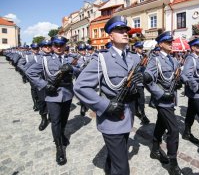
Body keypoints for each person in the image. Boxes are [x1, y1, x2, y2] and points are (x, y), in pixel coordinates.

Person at [74, 16, 143, 175]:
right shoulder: (102, 58)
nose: (125, 33)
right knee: (122, 169)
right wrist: (105, 106)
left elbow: (133, 84)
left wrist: (142, 79)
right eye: (120, 30)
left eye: (126, 30)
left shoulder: (133, 57)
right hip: (111, 118)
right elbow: (80, 86)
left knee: (117, 155)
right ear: (110, 36)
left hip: (127, 115)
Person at [26, 36, 79, 165]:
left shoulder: (71, 58)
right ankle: (59, 147)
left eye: (61, 45)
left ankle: (61, 135)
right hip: (52, 95)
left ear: (65, 45)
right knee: (55, 121)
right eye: (56, 45)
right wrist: (44, 85)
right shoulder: (45, 59)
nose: (59, 47)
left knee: (64, 119)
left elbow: (81, 70)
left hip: (67, 94)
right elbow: (30, 72)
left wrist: (72, 68)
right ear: (53, 45)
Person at [143, 31, 182, 175]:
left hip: (171, 98)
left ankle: (154, 149)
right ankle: (173, 163)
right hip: (162, 101)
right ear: (160, 44)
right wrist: (160, 93)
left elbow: (176, 77)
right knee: (174, 130)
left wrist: (180, 81)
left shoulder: (173, 60)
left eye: (171, 42)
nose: (171, 44)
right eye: (168, 42)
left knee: (161, 123)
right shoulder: (155, 60)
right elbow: (148, 80)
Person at [132, 41, 150, 125]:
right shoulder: (132, 56)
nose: (141, 49)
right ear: (135, 48)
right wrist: (141, 65)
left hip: (141, 81)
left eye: (142, 48)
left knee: (137, 98)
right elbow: (132, 69)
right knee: (141, 99)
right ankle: (143, 115)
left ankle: (136, 111)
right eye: (139, 48)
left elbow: (145, 68)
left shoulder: (143, 56)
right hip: (136, 81)